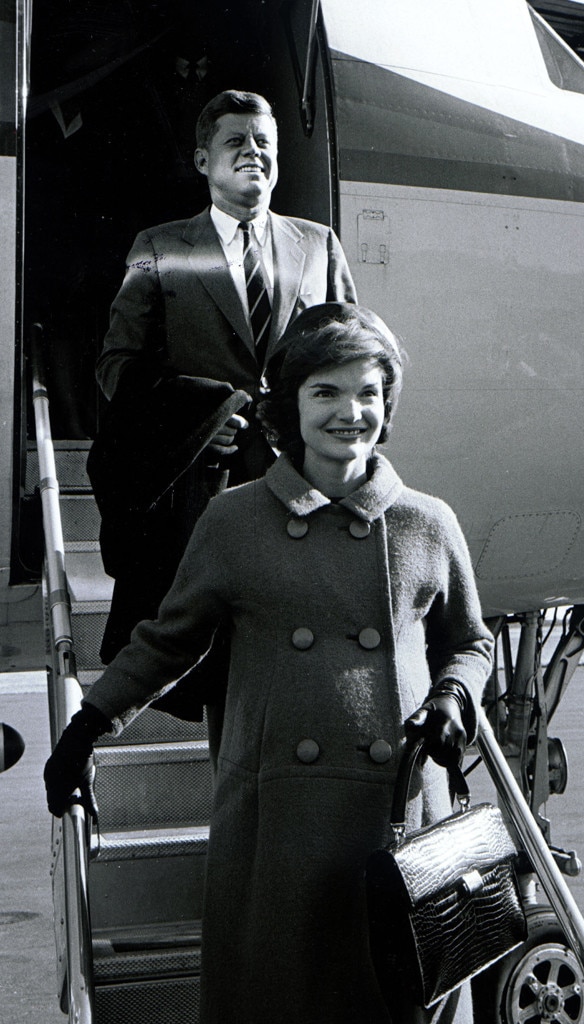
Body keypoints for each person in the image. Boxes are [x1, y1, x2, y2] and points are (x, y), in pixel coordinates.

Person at [46, 303, 493, 1024]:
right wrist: (87, 728)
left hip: (400, 824)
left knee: (398, 998)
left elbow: (471, 643)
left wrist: (452, 696)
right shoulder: (236, 521)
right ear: (290, 406)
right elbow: (168, 640)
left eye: (368, 392)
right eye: (326, 392)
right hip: (278, 830)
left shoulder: (427, 522)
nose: (351, 412)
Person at [89, 88, 357, 668]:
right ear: (202, 160)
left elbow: (354, 357)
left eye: (265, 142)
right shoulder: (156, 248)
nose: (253, 151)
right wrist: (196, 419)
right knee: (211, 662)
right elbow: (117, 367)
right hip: (202, 496)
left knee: (294, 649)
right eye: (235, 140)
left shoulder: (319, 245)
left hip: (299, 484)